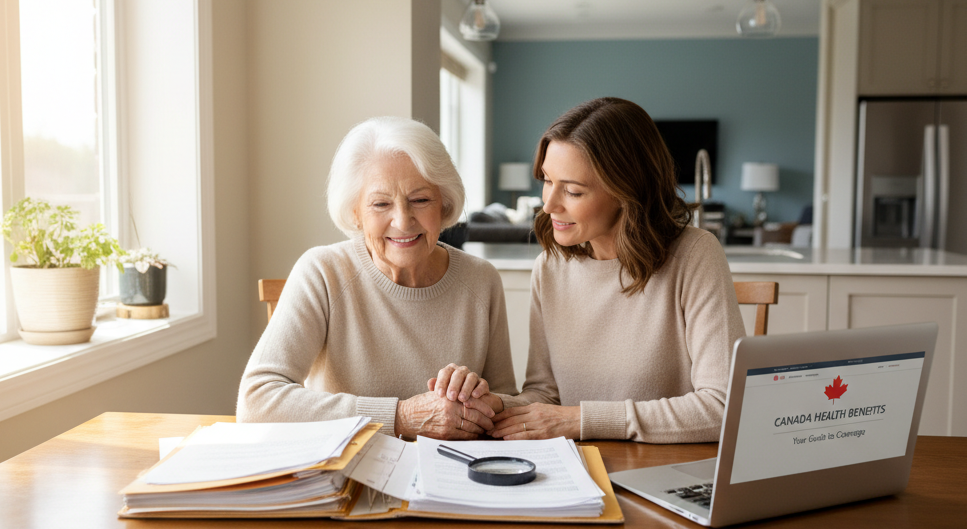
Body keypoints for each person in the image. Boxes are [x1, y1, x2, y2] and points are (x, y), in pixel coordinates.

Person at [478, 97, 746, 443]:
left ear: (625, 190)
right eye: (546, 180)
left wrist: (581, 420)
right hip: (576, 470)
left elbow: (724, 407)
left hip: (663, 469)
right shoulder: (551, 267)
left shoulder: (695, 255)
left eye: (573, 191)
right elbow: (546, 395)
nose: (548, 205)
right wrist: (492, 406)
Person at [237, 116, 515, 439]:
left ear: (444, 202)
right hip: (350, 480)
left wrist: (480, 399)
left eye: (420, 199)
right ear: (355, 212)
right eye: (381, 203)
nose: (402, 220)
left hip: (450, 478)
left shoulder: (482, 281)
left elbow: (508, 402)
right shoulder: (321, 273)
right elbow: (256, 402)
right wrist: (401, 417)